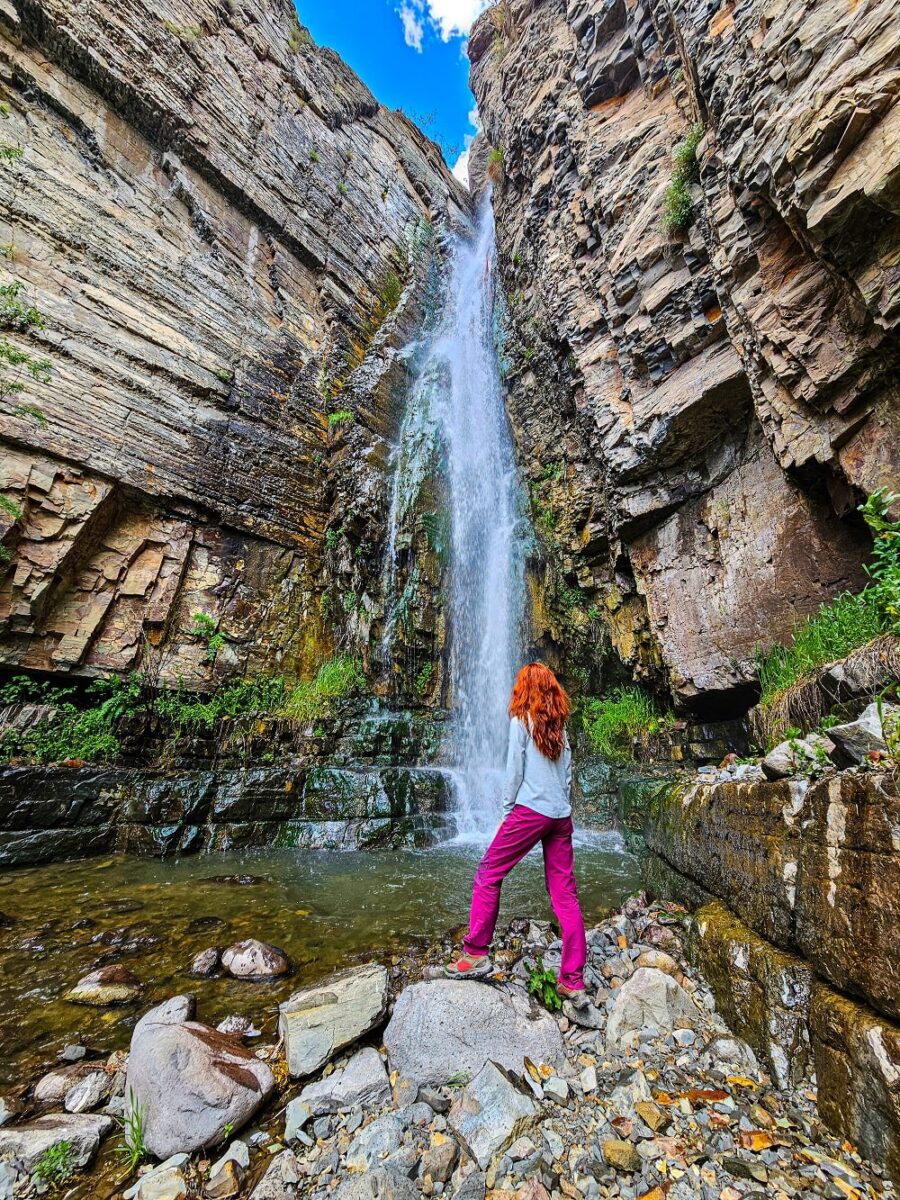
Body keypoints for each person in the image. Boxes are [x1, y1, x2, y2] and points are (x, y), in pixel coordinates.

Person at [445, 662, 589, 1007]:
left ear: (523, 689)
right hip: (560, 815)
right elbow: (567, 773)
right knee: (564, 895)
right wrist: (560, 803)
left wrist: (508, 811)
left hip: (529, 811)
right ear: (552, 690)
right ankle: (573, 980)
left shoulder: (521, 721)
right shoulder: (559, 727)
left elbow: (514, 771)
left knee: (488, 874)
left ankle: (476, 951)